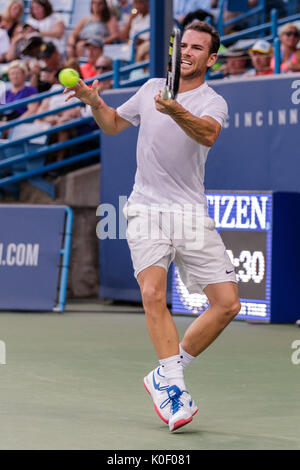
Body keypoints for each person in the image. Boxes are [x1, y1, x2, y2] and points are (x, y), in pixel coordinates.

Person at [64, 21, 240, 432]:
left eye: (198, 49)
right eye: (185, 46)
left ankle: (165, 371)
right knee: (152, 291)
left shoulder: (214, 101)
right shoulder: (148, 89)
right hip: (145, 208)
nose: (188, 53)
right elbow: (112, 124)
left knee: (228, 303)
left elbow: (207, 135)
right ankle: (174, 386)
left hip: (191, 213)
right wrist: (93, 100)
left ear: (211, 59)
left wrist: (175, 108)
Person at [0, 60, 38, 135]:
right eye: (12, 73)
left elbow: (32, 110)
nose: (15, 76)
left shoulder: (30, 90)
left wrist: (13, 124)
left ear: (24, 74)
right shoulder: (6, 93)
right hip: (4, 123)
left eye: (18, 73)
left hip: (20, 125)